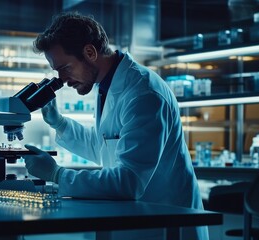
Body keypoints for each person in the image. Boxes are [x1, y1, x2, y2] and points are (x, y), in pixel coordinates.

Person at [23, 11, 209, 240]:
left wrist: (57, 174)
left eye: (65, 68)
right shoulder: (106, 85)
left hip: (168, 222)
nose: (61, 79)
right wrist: (60, 124)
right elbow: (104, 146)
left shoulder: (144, 94)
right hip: (141, 219)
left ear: (89, 52)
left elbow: (129, 182)